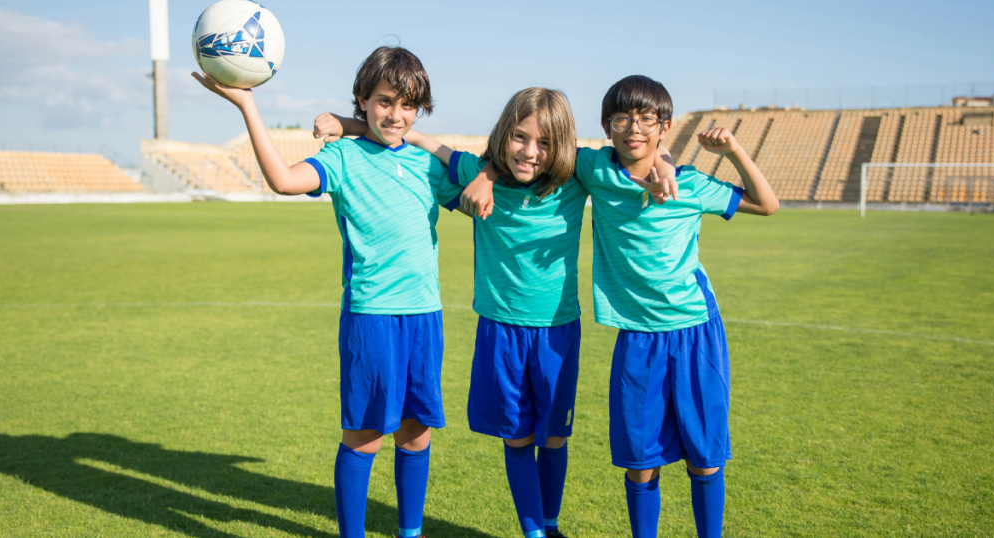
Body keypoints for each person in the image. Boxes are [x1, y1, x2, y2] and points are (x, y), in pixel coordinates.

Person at [314, 86, 677, 538]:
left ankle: (550, 522)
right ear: (504, 135)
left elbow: (633, 154)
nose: (530, 152)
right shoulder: (472, 171)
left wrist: (662, 161)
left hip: (558, 330)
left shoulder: (577, 172)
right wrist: (484, 171)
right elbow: (420, 140)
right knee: (517, 437)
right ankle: (534, 533)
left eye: (544, 143)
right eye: (519, 138)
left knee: (556, 438)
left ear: (561, 144)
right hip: (500, 329)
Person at [468, 75, 779, 538]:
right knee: (639, 461)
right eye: (622, 119)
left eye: (647, 119)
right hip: (635, 336)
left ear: (664, 126)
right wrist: (486, 175)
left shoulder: (689, 184)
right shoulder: (593, 169)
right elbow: (532, 153)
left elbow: (767, 204)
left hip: (695, 331)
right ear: (606, 126)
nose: (634, 128)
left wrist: (730, 151)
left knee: (705, 458)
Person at [193, 46, 465, 538]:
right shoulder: (343, 156)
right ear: (362, 99)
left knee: (417, 433)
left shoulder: (428, 166)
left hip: (425, 315)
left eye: (408, 105)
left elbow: (477, 184)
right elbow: (282, 180)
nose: (396, 114)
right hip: (372, 317)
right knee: (364, 438)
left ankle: (410, 532)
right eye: (384, 101)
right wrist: (247, 105)